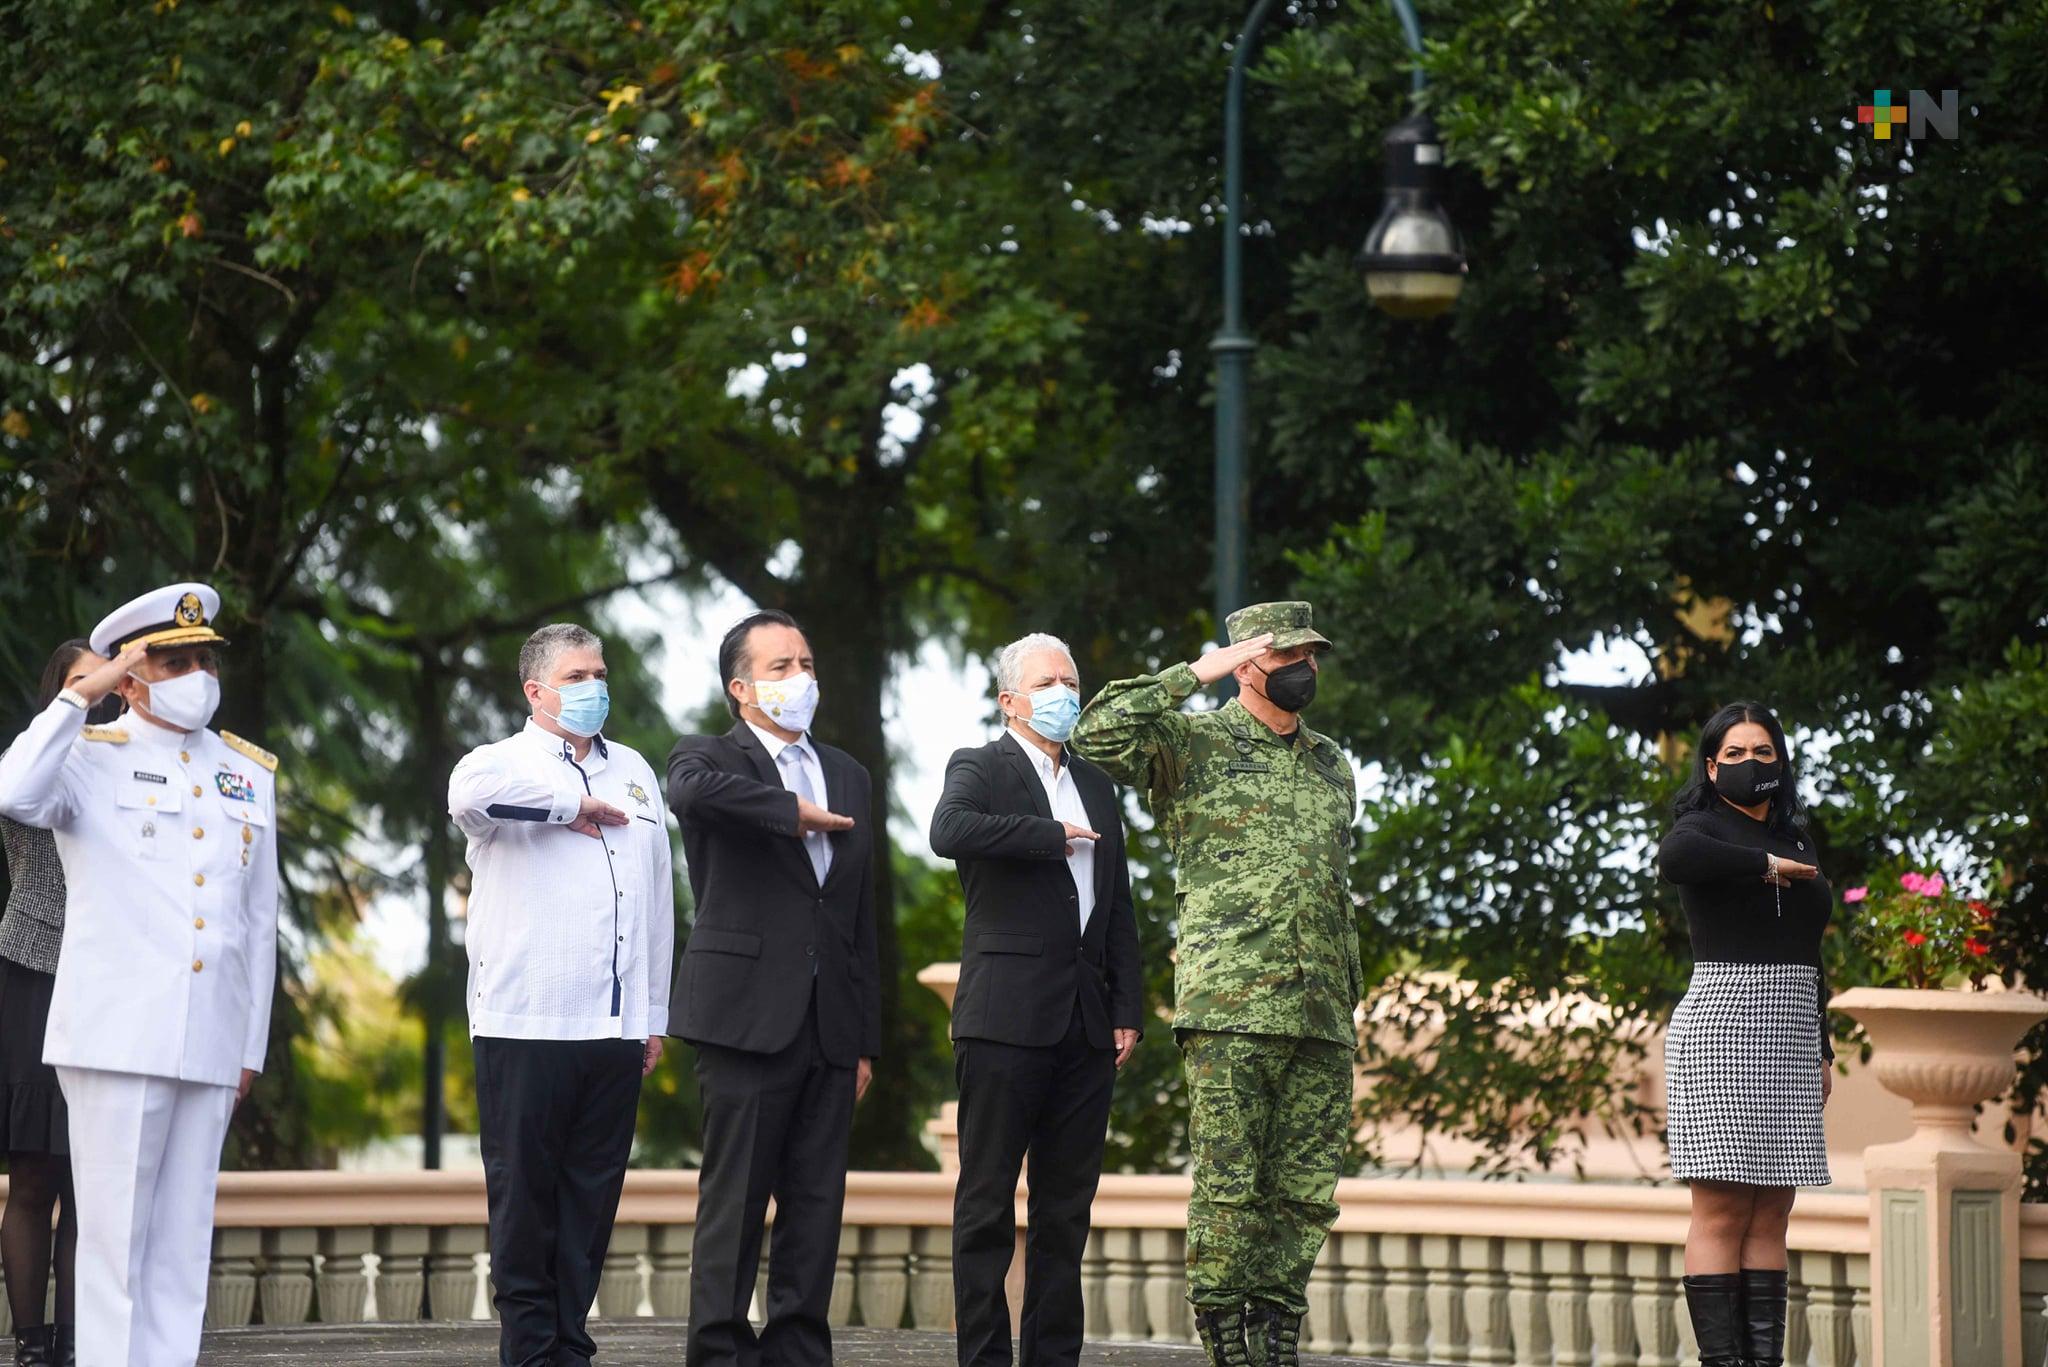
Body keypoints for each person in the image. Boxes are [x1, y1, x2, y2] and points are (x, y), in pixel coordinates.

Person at [1071, 602, 1361, 1367]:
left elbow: (1332, 885)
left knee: (1305, 1190)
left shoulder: (1332, 762)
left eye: (1312, 653)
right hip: (1231, 1004)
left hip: (1321, 1007)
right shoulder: (1190, 740)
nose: (1307, 668)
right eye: (1289, 653)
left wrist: (1348, 991)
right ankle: (1226, 1337)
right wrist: (1190, 674)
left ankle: (1277, 1331)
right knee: (1231, 1187)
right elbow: (1094, 733)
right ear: (1248, 661)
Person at [0, 583, 278, 1367]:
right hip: (116, 1037)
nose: (197, 673)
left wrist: (247, 1042)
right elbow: (12, 790)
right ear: (131, 676)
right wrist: (78, 696)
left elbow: (259, 921)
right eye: (173, 660)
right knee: (114, 1243)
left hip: (212, 1039)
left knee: (181, 1244)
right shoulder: (86, 756)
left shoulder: (247, 773)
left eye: (204, 658)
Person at [447, 623, 675, 1367]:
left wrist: (652, 1015)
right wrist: (566, 806)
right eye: (577, 675)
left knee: (589, 1204)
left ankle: (570, 1345)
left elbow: (656, 903)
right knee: (525, 1205)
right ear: (536, 690)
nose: (594, 687)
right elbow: (466, 797)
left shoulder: (636, 770)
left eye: (600, 671)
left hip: (612, 1028)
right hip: (524, 1020)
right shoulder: (499, 762)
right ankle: (531, 1350)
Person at [666, 609, 878, 1367]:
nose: (802, 678)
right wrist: (792, 813)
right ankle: (719, 1354)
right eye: (782, 666)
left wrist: (863, 1040)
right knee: (735, 1205)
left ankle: (797, 1353)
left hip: (829, 1027)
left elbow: (858, 917)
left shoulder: (849, 771)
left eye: (807, 663)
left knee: (816, 1210)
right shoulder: (707, 757)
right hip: (744, 1020)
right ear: (742, 686)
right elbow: (690, 794)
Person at [929, 632, 1144, 1367]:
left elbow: (1118, 904)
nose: (1065, 694)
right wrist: (1047, 834)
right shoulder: (980, 766)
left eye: (1072, 681)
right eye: (1049, 682)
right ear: (1010, 700)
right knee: (986, 1204)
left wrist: (1128, 1006)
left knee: (1065, 1212)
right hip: (1004, 1018)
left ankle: (1053, 1357)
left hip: (1085, 1024)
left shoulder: (1098, 784)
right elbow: (946, 831)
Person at [1658, 701, 1833, 1367]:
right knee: (1724, 1208)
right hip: (1724, 1029)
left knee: (1772, 1212)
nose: (1750, 763)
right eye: (1734, 753)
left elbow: (1811, 956)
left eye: (1763, 751)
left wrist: (1821, 1047)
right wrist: (1764, 867)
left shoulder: (1799, 839)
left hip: (1790, 1033)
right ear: (1711, 764)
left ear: (1780, 761)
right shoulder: (1702, 827)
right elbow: (1676, 856)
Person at [1, 641, 113, 1367]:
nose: (98, 691)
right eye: (83, 680)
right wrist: (70, 712)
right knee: (37, 1171)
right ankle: (31, 1341)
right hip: (37, 969)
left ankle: (76, 1338)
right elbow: (18, 795)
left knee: (89, 1175)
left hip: (109, 979)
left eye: (108, 678)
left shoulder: (127, 764)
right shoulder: (33, 755)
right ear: (60, 690)